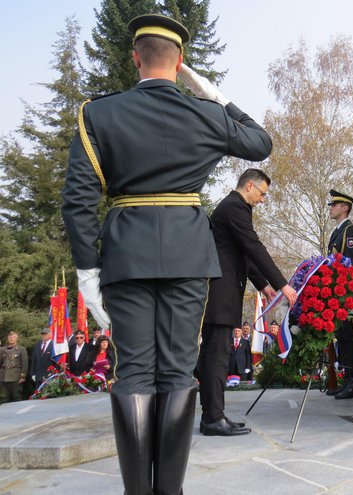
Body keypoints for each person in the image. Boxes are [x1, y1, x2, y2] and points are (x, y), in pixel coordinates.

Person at [61, 14, 272, 494]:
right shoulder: (208, 114)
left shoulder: (98, 113)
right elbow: (261, 142)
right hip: (186, 255)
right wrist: (213, 93)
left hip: (124, 254)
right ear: (179, 64)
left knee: (133, 370)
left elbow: (77, 200)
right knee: (178, 370)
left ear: (135, 58)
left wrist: (87, 270)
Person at [198, 168, 297, 437]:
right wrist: (282, 284)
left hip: (224, 292)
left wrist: (262, 284)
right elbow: (254, 246)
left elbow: (242, 253)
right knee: (216, 358)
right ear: (250, 186)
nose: (263, 199)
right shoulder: (234, 207)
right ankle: (212, 418)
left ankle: (213, 414)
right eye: (263, 193)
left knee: (214, 357)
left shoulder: (235, 207)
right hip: (220, 293)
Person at [327, 189, 353, 400]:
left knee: (351, 334)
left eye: (334, 205)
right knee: (342, 335)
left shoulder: (350, 231)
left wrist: (349, 293)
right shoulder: (337, 232)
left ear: (345, 207)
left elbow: (352, 265)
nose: (331, 208)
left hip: (348, 293)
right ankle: (347, 378)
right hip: (337, 293)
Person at [0, 331, 29, 403]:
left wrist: (23, 376)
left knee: (16, 397)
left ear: (17, 338)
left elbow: (25, 364)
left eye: (13, 337)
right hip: (3, 377)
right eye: (10, 337)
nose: (11, 338)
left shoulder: (21, 349)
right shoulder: (2, 350)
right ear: (7, 338)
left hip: (15, 377)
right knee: (3, 398)